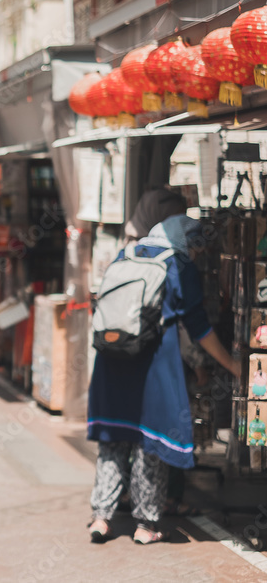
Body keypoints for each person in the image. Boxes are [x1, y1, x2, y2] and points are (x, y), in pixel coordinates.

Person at [87, 213, 241, 545]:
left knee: (113, 439)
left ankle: (101, 518)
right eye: (197, 248)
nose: (197, 256)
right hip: (152, 364)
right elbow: (198, 327)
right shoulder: (178, 265)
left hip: (112, 360)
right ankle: (145, 525)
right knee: (149, 442)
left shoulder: (125, 253)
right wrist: (232, 365)